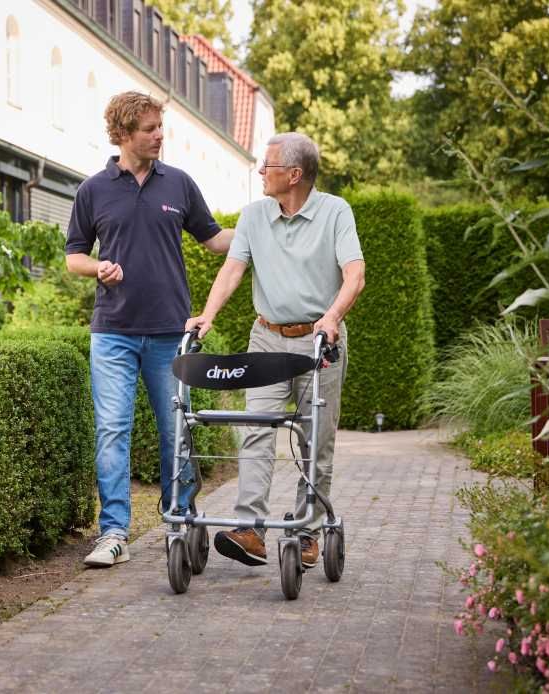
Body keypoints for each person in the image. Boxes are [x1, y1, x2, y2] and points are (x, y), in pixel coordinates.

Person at [66, 91, 233, 568]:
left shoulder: (178, 184)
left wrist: (264, 228)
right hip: (113, 333)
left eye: (161, 127)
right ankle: (114, 532)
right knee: (112, 431)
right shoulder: (93, 190)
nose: (159, 135)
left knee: (175, 429)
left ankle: (180, 517)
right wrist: (97, 268)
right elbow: (73, 255)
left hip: (170, 333)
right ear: (123, 134)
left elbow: (215, 239)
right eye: (150, 129)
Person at [185, 132, 365, 570]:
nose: (261, 172)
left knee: (315, 440)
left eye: (267, 165)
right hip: (265, 338)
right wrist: (206, 315)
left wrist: (332, 317)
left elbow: (354, 274)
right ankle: (250, 528)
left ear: (294, 174)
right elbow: (232, 270)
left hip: (316, 342)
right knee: (255, 427)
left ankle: (307, 530)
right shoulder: (254, 216)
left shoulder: (335, 212)